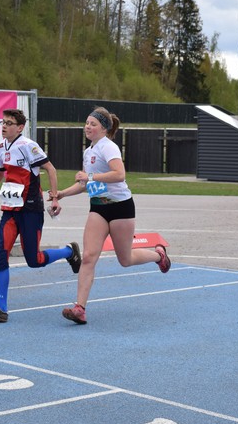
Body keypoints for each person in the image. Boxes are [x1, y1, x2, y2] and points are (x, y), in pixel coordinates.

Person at [52, 106, 171, 325]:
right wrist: (62, 194)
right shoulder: (88, 152)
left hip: (120, 208)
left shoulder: (109, 147)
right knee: (88, 256)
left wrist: (91, 175)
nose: (88, 127)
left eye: (93, 124)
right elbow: (85, 183)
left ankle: (159, 255)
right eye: (87, 123)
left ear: (104, 129)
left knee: (125, 260)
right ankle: (80, 308)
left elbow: (119, 174)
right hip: (98, 208)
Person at [0, 108, 81, 323]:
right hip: (10, 211)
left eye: (9, 123)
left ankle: (69, 252)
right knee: (1, 253)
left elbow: (51, 169)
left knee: (34, 260)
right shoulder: (1, 147)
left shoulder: (28, 146)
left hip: (30, 210)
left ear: (19, 127)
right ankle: (1, 308)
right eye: (2, 122)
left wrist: (55, 197)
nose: (4, 126)